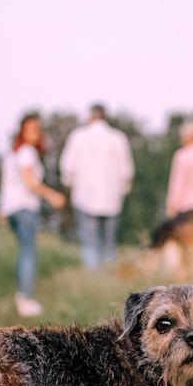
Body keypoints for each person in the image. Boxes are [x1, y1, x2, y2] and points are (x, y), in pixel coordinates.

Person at [0, 113, 66, 317]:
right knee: (28, 251)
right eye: (30, 130)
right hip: (25, 207)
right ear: (22, 132)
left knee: (24, 250)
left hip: (12, 207)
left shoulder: (13, 153)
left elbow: (6, 183)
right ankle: (25, 299)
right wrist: (52, 195)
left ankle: (22, 295)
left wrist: (2, 209)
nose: (35, 134)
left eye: (37, 130)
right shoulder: (27, 152)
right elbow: (29, 182)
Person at [59, 104, 135, 269]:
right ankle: (108, 275)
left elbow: (68, 167)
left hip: (84, 197)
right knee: (109, 242)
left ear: (90, 116)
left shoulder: (78, 136)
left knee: (89, 242)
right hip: (112, 198)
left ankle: (93, 277)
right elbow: (126, 171)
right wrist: (123, 190)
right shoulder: (118, 138)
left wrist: (68, 185)